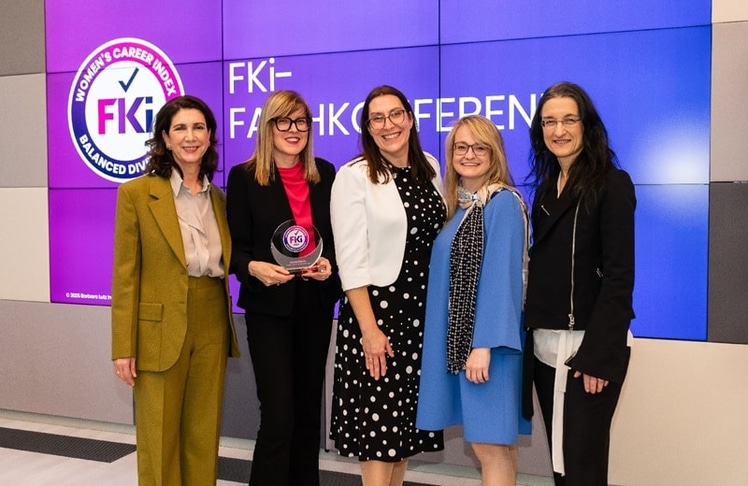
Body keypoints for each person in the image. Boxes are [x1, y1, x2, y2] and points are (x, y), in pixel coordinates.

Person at [111, 95, 241, 486]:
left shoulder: (219, 198)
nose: (190, 136)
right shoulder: (136, 194)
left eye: (198, 127)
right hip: (158, 327)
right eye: (180, 128)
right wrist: (123, 346)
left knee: (203, 435)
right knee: (159, 438)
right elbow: (124, 275)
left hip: (212, 320)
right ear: (165, 138)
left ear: (210, 137)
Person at [329, 85, 446, 486]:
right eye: (376, 118)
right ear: (367, 128)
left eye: (395, 114)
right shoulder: (354, 176)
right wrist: (370, 331)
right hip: (378, 316)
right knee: (378, 436)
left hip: (421, 317)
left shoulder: (429, 166)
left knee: (402, 435)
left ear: (410, 119)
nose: (388, 125)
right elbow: (350, 260)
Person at [226, 90, 340, 486]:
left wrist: (331, 266)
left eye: (302, 122)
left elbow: (340, 242)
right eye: (284, 122)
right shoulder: (243, 177)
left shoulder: (326, 173)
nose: (294, 130)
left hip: (316, 305)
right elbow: (235, 250)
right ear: (268, 127)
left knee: (309, 414)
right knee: (278, 417)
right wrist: (253, 267)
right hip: (268, 309)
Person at [524, 81, 636, 485]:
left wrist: (599, 355)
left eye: (569, 119)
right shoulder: (543, 192)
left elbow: (620, 275)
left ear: (587, 126)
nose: (559, 130)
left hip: (590, 350)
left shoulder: (612, 184)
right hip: (545, 350)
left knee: (584, 469)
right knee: (561, 468)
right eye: (549, 121)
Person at [416, 115, 532, 486]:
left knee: (490, 448)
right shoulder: (463, 206)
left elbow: (502, 280)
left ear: (494, 153)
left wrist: (482, 345)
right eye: (460, 147)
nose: (469, 154)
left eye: (479, 146)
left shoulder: (502, 203)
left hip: (491, 349)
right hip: (469, 346)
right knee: (496, 448)